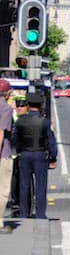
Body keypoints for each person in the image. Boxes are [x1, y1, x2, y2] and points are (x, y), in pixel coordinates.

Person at [12, 93, 57, 220]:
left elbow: (15, 140)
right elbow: (51, 141)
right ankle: (40, 214)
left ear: (27, 105)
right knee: (41, 186)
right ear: (40, 105)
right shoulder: (45, 122)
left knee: (24, 185)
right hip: (40, 155)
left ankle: (24, 213)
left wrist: (19, 151)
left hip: (25, 154)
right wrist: (53, 157)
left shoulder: (20, 121)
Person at [0, 80, 13, 232]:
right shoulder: (6, 108)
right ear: (7, 93)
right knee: (3, 189)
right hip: (3, 154)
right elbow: (1, 132)